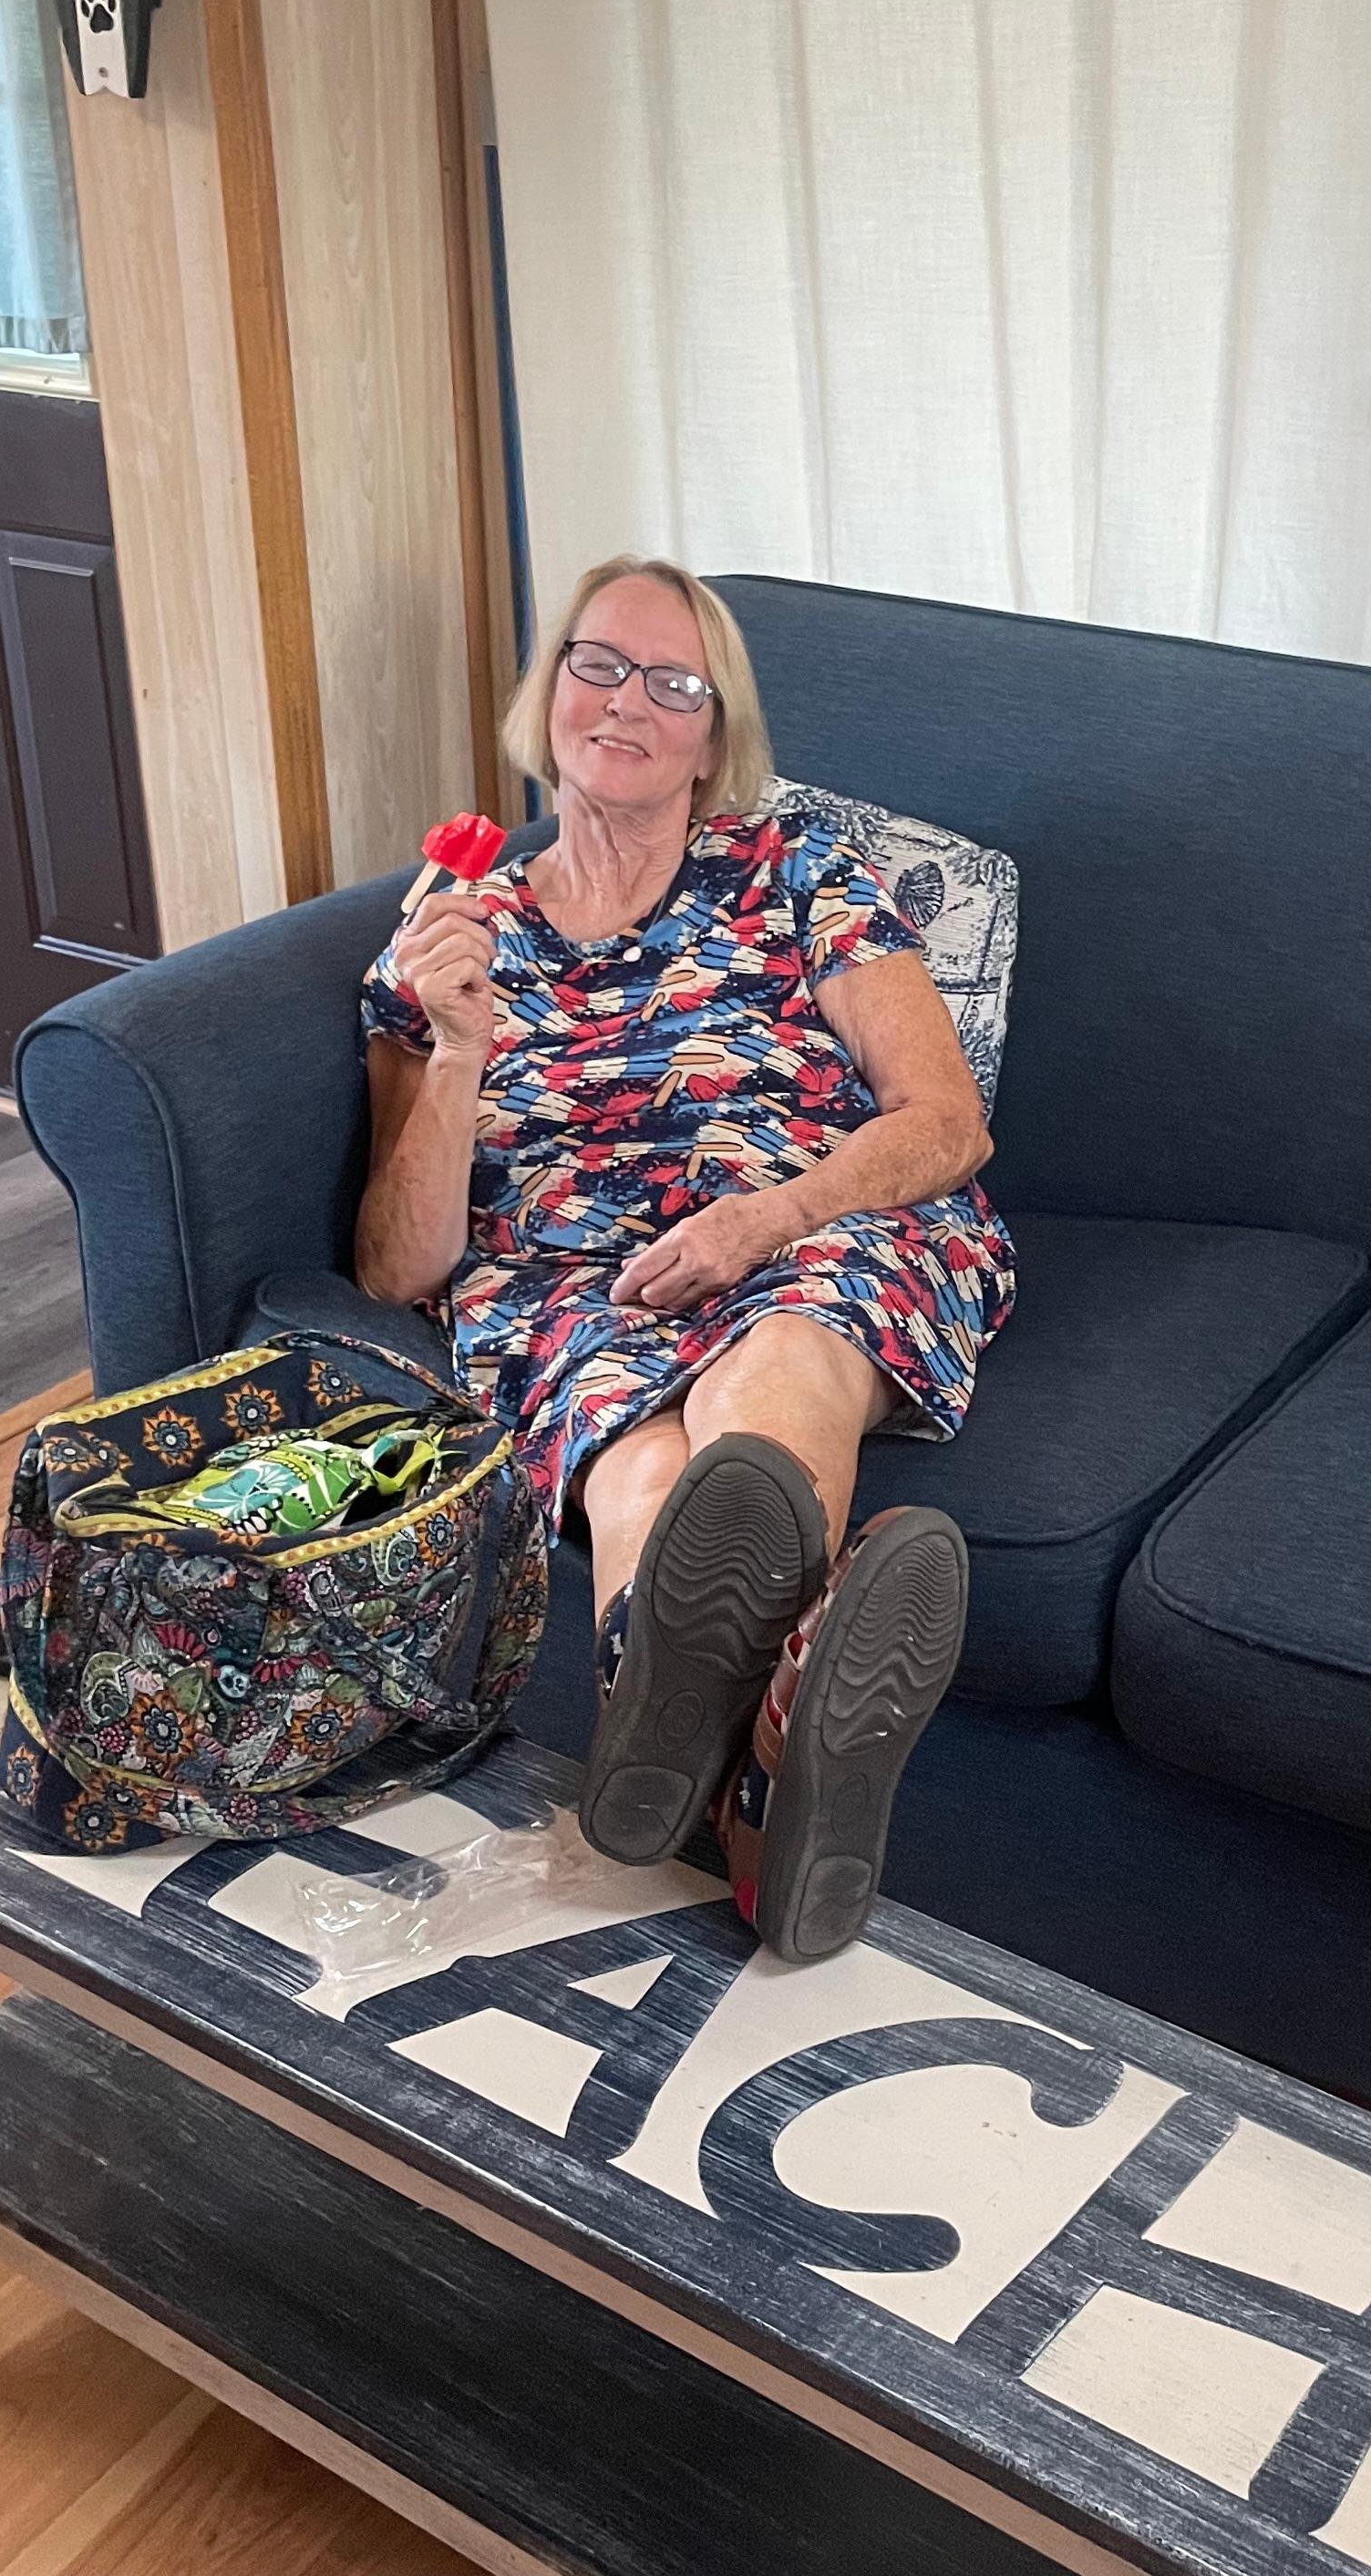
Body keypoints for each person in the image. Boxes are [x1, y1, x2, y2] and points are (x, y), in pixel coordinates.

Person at [354, 554, 1014, 1961]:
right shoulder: (442, 946)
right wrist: (456, 1049)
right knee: (637, 1464)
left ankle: (687, 1756)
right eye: (597, 663)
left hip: (812, 1223)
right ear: (548, 691)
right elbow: (399, 1272)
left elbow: (947, 1122)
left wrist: (761, 1220)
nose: (626, 701)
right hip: (562, 1282)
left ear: (714, 741)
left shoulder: (799, 874)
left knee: (776, 1370)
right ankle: (765, 1786)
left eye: (674, 684)